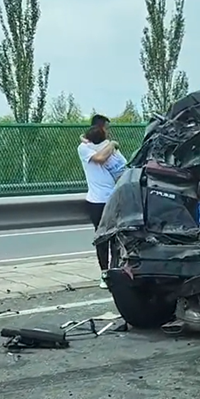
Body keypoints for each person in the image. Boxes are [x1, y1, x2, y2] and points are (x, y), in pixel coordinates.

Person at [77, 123, 125, 288]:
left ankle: (114, 270)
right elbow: (99, 158)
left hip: (113, 199)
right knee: (102, 238)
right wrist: (112, 144)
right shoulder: (85, 149)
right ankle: (104, 273)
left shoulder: (108, 149)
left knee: (116, 238)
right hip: (97, 201)